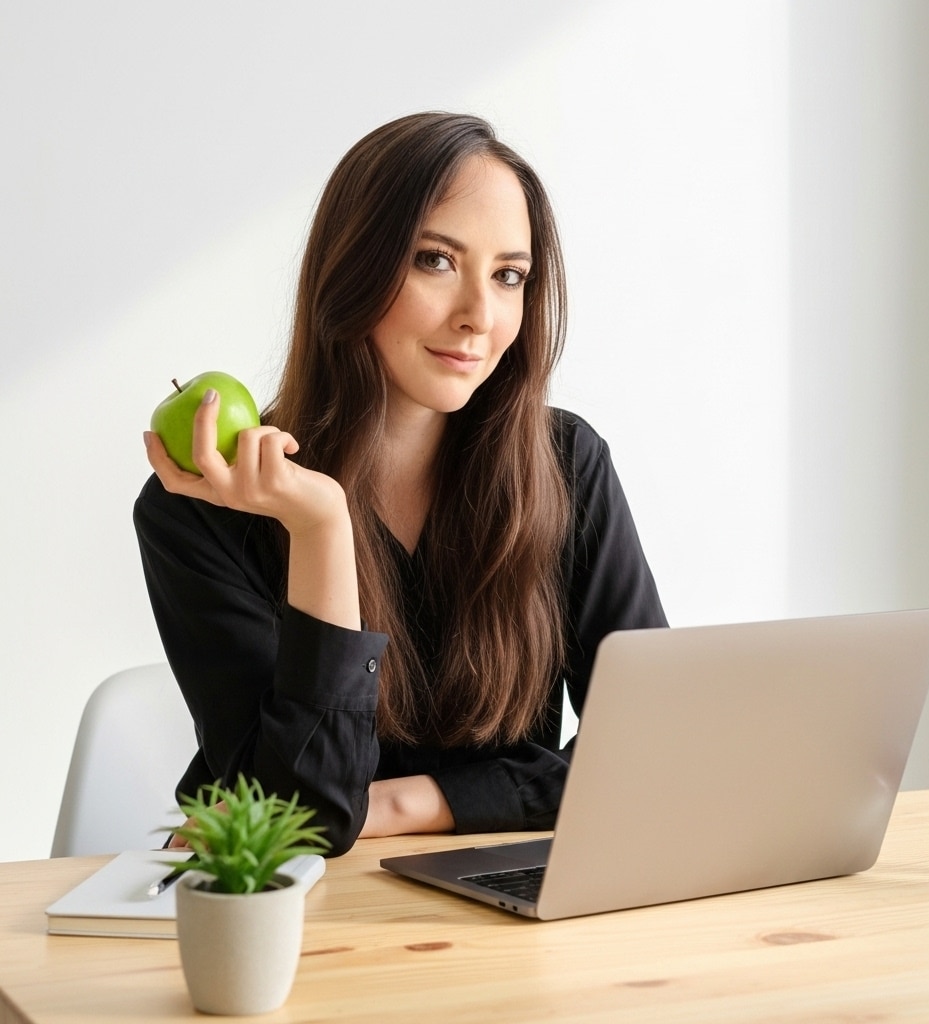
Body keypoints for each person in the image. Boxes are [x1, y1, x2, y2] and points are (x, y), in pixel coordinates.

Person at [135, 111, 667, 856]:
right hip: (287, 923)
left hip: (496, 897)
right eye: (436, 261)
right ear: (355, 266)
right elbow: (303, 819)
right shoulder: (204, 507)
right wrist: (321, 526)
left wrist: (398, 804)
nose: (480, 315)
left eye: (509, 275)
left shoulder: (565, 464)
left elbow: (652, 752)